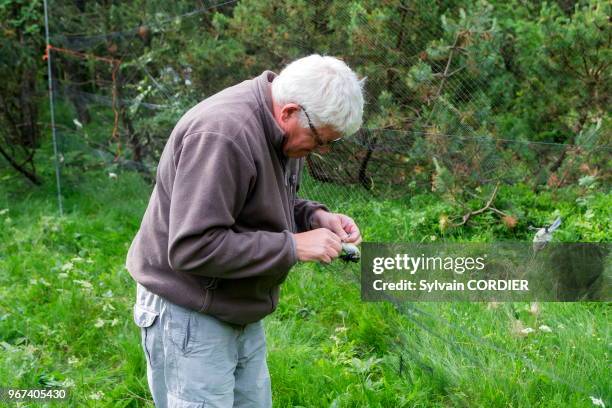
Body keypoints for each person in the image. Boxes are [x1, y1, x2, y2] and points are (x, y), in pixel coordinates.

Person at [126, 54, 365, 408]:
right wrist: (293, 247)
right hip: (190, 313)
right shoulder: (223, 136)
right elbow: (193, 247)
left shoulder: (281, 128)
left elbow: (253, 203)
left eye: (331, 142)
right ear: (289, 112)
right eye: (319, 140)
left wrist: (314, 217)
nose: (322, 151)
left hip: (236, 307)